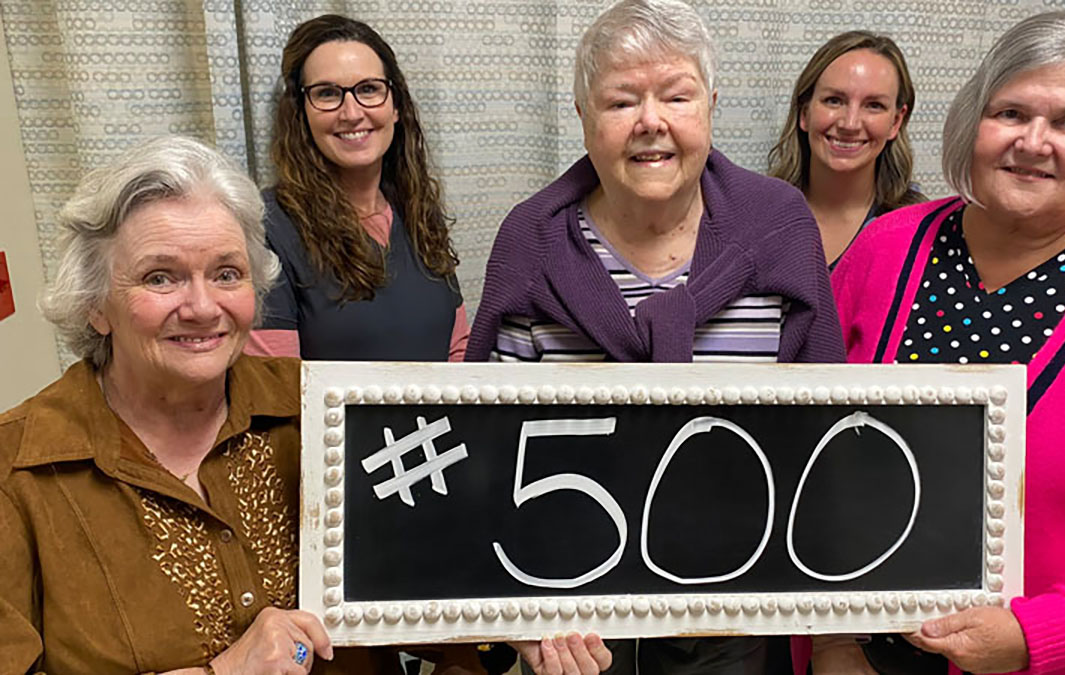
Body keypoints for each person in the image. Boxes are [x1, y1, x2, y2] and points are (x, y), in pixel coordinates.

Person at [810, 11, 1065, 674]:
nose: (1034, 141)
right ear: (974, 123)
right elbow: (806, 452)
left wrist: (1035, 633)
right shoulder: (886, 248)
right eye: (1010, 112)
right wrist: (829, 641)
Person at [468, 0, 844, 672]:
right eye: (621, 101)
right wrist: (519, 614)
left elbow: (824, 425)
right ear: (583, 116)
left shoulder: (781, 226)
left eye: (676, 95)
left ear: (710, 106)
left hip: (737, 620)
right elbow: (489, 451)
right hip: (574, 622)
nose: (651, 122)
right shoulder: (530, 241)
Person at [0, 136, 400, 673]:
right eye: (159, 277)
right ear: (95, 305)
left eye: (227, 273)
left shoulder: (327, 409)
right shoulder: (16, 468)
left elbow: (423, 577)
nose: (202, 306)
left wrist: (520, 621)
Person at [245, 15, 467, 362]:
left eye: (368, 89)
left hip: (440, 417)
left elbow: (458, 350)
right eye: (327, 94)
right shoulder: (268, 228)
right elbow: (277, 388)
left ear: (396, 106)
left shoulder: (418, 212)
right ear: (300, 115)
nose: (351, 112)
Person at [768, 31, 923, 268]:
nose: (849, 124)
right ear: (805, 112)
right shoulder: (760, 216)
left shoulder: (917, 233)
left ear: (895, 122)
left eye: (874, 105)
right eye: (834, 100)